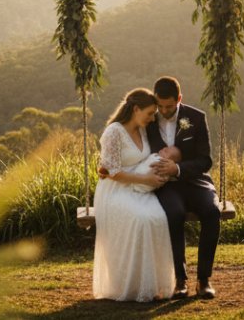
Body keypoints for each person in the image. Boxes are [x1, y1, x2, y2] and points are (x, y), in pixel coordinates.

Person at [91, 88, 176, 302]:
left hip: (140, 189)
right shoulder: (114, 132)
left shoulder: (143, 130)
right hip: (116, 190)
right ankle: (127, 285)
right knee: (141, 220)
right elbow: (110, 172)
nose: (151, 118)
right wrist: (146, 180)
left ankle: (150, 284)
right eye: (149, 113)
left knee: (158, 218)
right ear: (136, 109)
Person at [146, 75, 222, 300]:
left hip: (195, 180)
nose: (164, 110)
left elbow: (205, 160)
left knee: (212, 211)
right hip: (166, 186)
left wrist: (177, 168)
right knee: (174, 214)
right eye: (160, 105)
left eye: (169, 106)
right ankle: (180, 280)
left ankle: (204, 280)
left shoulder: (196, 118)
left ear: (179, 98)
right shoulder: (149, 120)